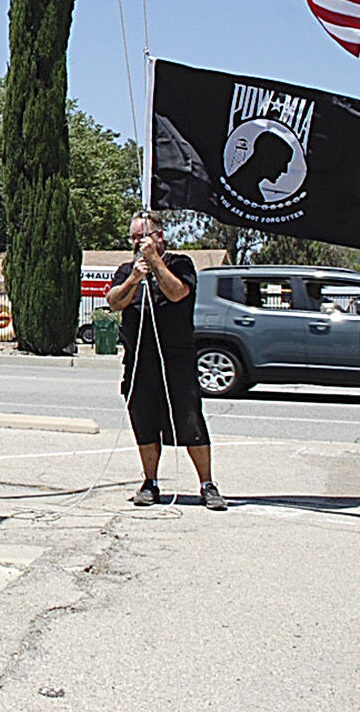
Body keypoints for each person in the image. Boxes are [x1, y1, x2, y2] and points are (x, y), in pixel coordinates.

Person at [106, 210, 226, 511]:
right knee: (144, 421)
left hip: (177, 360)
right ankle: (150, 482)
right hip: (140, 361)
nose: (136, 242)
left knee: (190, 420)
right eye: (133, 237)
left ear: (158, 236)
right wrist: (135, 277)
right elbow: (114, 301)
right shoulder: (126, 270)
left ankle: (207, 484)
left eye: (141, 236)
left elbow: (178, 294)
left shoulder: (180, 264)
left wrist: (156, 264)